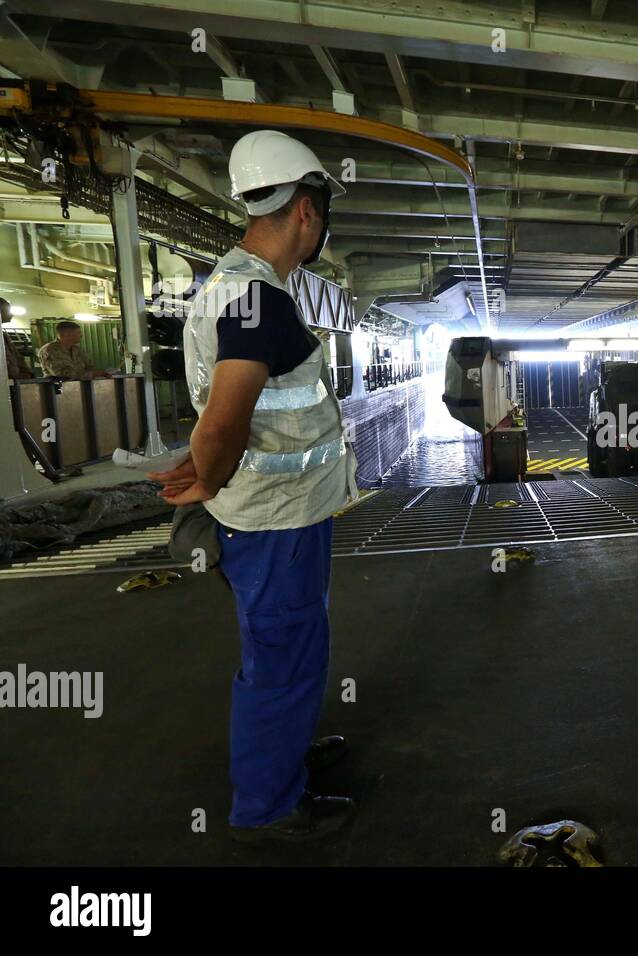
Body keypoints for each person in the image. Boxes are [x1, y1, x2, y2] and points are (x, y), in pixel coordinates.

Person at [148, 129, 358, 844]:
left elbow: (219, 415)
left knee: (293, 645)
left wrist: (205, 468)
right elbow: (228, 415)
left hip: (280, 515)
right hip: (276, 522)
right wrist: (203, 478)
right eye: (321, 209)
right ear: (306, 208)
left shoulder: (236, 286)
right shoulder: (256, 299)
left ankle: (286, 754)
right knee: (282, 655)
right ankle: (269, 802)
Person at [37, 321, 109, 378]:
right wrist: (92, 374)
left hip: (80, 388)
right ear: (66, 334)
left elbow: (89, 366)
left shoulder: (77, 350)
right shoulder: (49, 350)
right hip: (57, 390)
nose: (81, 335)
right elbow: (60, 373)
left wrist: (101, 373)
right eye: (78, 332)